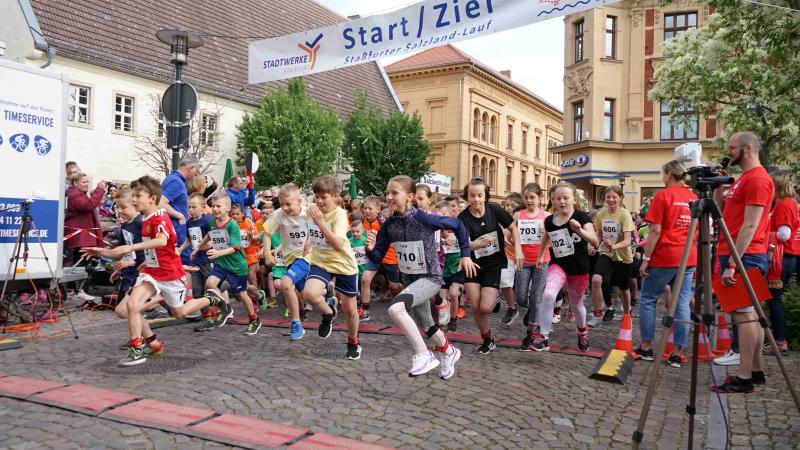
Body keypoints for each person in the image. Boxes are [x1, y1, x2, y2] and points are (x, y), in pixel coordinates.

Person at [84, 176, 215, 366]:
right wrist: (101, 251)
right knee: (132, 306)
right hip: (150, 272)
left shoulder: (160, 217)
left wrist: (130, 249)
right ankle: (138, 348)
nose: (134, 200)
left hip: (170, 274)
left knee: (179, 313)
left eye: (138, 196)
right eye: (133, 196)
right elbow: (125, 250)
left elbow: (162, 241)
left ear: (152, 198)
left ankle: (211, 299)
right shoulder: (145, 218)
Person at [366, 175, 477, 378]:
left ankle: (423, 354)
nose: (388, 197)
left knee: (395, 308)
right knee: (427, 325)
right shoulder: (389, 225)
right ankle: (450, 352)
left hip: (431, 279)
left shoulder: (424, 218)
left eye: (394, 193)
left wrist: (466, 255)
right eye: (387, 193)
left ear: (410, 196)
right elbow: (377, 257)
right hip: (410, 282)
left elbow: (458, 225)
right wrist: (370, 249)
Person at [711, 132, 774, 394]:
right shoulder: (744, 178)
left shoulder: (758, 179)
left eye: (731, 148)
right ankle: (755, 371)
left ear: (747, 148)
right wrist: (718, 186)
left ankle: (744, 377)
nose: (728, 152)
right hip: (737, 252)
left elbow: (751, 225)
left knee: (744, 315)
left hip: (744, 254)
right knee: (749, 314)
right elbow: (722, 210)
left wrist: (733, 264)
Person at [634, 161, 697, 367]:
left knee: (648, 299)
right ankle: (677, 352)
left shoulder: (662, 196)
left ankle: (646, 347)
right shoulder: (693, 197)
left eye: (662, 174)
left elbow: (655, 231)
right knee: (682, 302)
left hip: (665, 255)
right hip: (688, 255)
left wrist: (646, 260)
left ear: (669, 174)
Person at [529, 183, 599, 352]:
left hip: (578, 268)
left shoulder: (581, 217)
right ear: (553, 200)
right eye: (558, 198)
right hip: (558, 265)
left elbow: (595, 241)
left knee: (576, 304)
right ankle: (544, 337)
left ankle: (582, 332)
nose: (561, 201)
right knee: (548, 294)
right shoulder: (550, 220)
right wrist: (541, 255)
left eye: (566, 198)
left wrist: (579, 230)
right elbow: (547, 236)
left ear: (574, 200)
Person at [301, 176, 361, 359]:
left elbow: (337, 245)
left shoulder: (340, 215)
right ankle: (329, 312)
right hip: (321, 261)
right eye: (316, 197)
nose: (319, 201)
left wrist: (320, 223)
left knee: (349, 308)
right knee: (309, 294)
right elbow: (310, 227)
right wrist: (308, 242)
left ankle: (353, 342)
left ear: (335, 197)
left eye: (323, 197)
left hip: (343, 264)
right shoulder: (312, 210)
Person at [458, 177, 520, 354]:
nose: (476, 199)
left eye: (479, 195)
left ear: (485, 196)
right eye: (472, 195)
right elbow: (464, 243)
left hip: (493, 263)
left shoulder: (494, 209)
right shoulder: (463, 218)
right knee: (476, 307)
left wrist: (518, 250)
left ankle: (495, 296)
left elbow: (513, 228)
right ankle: (488, 339)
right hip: (472, 264)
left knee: (486, 307)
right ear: (467, 197)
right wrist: (478, 244)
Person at [191, 193, 261, 335]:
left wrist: (218, 253)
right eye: (213, 206)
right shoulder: (212, 222)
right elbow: (209, 234)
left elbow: (235, 247)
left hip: (236, 265)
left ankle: (254, 319)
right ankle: (225, 307)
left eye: (218, 206)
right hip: (222, 263)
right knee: (210, 284)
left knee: (241, 295)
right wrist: (198, 247)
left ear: (227, 208)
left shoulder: (232, 225)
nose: (215, 209)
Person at [262, 183, 311, 341]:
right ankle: (327, 295)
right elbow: (267, 233)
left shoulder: (309, 212)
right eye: (282, 204)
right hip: (289, 258)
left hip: (307, 257)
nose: (285, 208)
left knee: (286, 284)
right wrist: (267, 254)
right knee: (306, 294)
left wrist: (310, 241)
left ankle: (296, 323)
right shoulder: (279, 214)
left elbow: (320, 227)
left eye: (288, 204)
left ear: (299, 201)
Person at [587, 185, 635, 327]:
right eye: (608, 197)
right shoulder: (601, 214)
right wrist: (593, 245)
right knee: (596, 279)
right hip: (606, 253)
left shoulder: (625, 214)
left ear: (620, 198)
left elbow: (627, 240)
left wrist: (613, 246)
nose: (611, 199)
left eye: (614, 197)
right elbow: (599, 235)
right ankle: (597, 314)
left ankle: (627, 315)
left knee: (624, 289)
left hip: (623, 256)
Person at [513, 183, 551, 349]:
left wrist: (547, 235)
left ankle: (531, 333)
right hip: (523, 260)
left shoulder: (547, 216)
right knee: (520, 296)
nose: (529, 201)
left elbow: (553, 240)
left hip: (541, 260)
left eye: (532, 197)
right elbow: (510, 235)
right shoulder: (518, 215)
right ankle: (533, 311)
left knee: (536, 296)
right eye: (526, 197)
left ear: (539, 198)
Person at [763, 174, 797, 355]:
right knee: (774, 299)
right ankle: (777, 339)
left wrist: (763, 234)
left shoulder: (784, 204)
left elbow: (784, 234)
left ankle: (779, 341)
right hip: (785, 257)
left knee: (773, 300)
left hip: (780, 257)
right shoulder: (788, 203)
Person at [64, 171, 106, 302]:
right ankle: (79, 290)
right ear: (75, 183)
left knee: (82, 262)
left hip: (82, 236)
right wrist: (99, 190)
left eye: (88, 182)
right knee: (80, 263)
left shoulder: (78, 194)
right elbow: (88, 206)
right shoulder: (74, 195)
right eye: (84, 182)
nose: (87, 184)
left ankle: (77, 290)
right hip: (79, 237)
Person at [360, 196, 403, 321]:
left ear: (378, 210)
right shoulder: (364, 222)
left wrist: (379, 236)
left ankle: (406, 294)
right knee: (365, 279)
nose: (367, 211)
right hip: (374, 256)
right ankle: (364, 310)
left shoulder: (383, 222)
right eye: (365, 208)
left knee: (394, 286)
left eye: (370, 208)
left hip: (389, 256)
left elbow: (394, 236)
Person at [181, 193, 215, 331]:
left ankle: (228, 290)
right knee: (196, 291)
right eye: (189, 207)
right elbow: (189, 240)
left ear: (202, 207)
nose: (190, 210)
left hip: (207, 260)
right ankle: (207, 319)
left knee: (210, 288)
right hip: (195, 261)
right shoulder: (189, 222)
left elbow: (214, 238)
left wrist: (208, 245)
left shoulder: (208, 220)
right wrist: (180, 249)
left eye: (193, 207)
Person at [109, 187, 143, 306]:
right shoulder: (124, 226)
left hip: (140, 271)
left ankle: (156, 304)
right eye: (117, 207)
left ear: (134, 204)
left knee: (128, 307)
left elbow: (146, 251)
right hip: (128, 271)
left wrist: (130, 262)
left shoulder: (141, 223)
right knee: (121, 306)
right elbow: (123, 249)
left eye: (123, 207)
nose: (120, 211)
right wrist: (119, 269)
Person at [161, 155, 198, 265]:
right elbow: (161, 204)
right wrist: (180, 216)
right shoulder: (176, 181)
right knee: (183, 263)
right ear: (191, 168)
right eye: (197, 170)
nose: (196, 174)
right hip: (177, 230)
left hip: (176, 229)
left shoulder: (174, 179)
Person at [231, 204, 267, 310]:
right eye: (233, 214)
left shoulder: (248, 222)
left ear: (242, 214)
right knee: (244, 279)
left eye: (237, 214)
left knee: (251, 276)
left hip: (251, 252)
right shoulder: (230, 224)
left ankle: (254, 300)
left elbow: (258, 236)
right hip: (238, 255)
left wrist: (253, 237)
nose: (235, 216)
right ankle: (258, 294)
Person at [435, 200, 465, 332]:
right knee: (442, 297)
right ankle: (443, 321)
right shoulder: (436, 230)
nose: (441, 218)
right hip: (444, 267)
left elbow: (466, 244)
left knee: (453, 294)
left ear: (450, 214)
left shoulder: (458, 226)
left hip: (457, 265)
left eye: (443, 214)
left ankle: (453, 319)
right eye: (438, 215)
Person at [500, 192, 524, 325]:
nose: (509, 208)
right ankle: (512, 308)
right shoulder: (501, 219)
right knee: (504, 282)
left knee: (524, 291)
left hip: (524, 258)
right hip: (507, 256)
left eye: (512, 205)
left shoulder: (524, 219)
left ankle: (533, 311)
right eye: (507, 205)